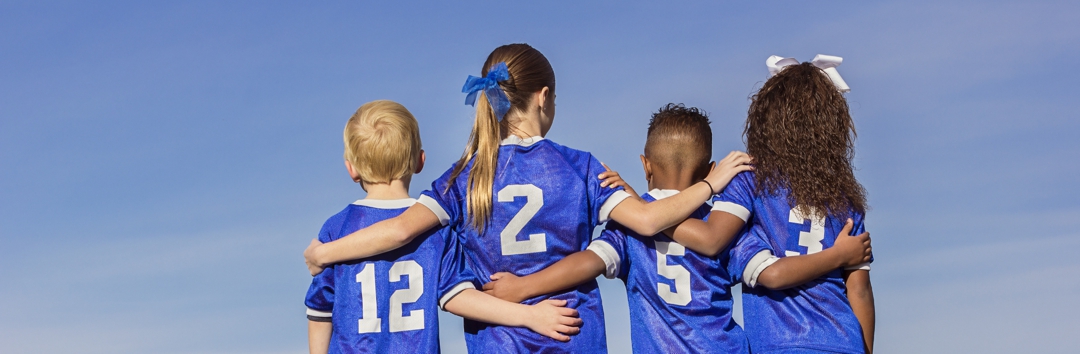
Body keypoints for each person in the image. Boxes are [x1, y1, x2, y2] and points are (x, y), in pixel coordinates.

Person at [304, 44, 752, 353]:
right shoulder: (579, 166)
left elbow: (399, 229)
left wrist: (326, 252)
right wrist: (709, 186)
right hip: (573, 333)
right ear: (543, 97)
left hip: (499, 339)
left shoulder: (465, 176)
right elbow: (651, 222)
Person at [481, 103, 871, 353]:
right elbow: (771, 273)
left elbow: (586, 262)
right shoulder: (727, 229)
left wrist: (524, 287)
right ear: (711, 171)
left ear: (645, 164)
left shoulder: (630, 230)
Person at [304, 100, 584, 354]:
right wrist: (529, 316)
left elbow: (320, 312)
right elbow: (459, 298)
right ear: (419, 161)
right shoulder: (435, 230)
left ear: (351, 169)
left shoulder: (336, 230)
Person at [668, 55, 875, 353]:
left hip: (781, 346)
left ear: (765, 122)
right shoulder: (844, 199)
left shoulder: (749, 182)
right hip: (844, 342)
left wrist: (645, 213)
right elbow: (860, 290)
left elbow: (720, 243)